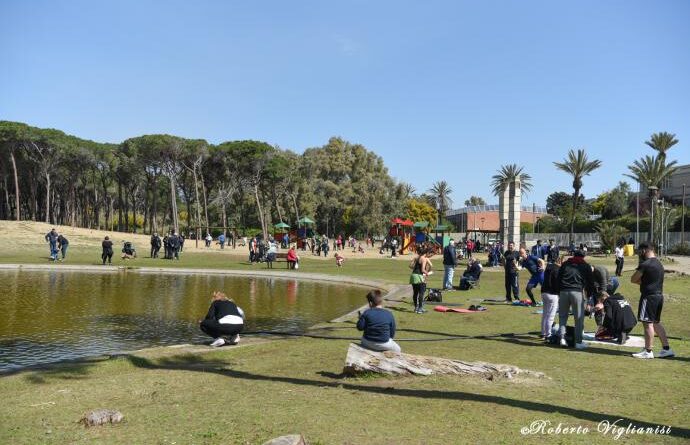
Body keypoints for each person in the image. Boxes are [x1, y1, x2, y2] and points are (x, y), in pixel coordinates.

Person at [631, 242, 674, 359]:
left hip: (648, 297)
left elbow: (633, 279)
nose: (640, 253)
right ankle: (667, 349)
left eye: (640, 251)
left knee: (647, 323)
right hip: (659, 296)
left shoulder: (645, 264)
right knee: (655, 322)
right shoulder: (659, 264)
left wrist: (642, 282)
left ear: (645, 250)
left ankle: (648, 351)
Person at [557, 250, 595, 349]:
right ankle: (578, 342)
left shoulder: (565, 264)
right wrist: (589, 296)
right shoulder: (585, 265)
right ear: (583, 257)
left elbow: (558, 278)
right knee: (578, 318)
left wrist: (559, 292)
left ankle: (562, 338)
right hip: (577, 292)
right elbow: (591, 283)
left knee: (562, 316)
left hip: (563, 291)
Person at [541, 256, 561, 340]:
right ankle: (548, 334)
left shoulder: (548, 268)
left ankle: (543, 332)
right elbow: (556, 283)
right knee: (551, 316)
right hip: (552, 294)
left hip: (544, 292)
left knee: (545, 314)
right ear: (559, 261)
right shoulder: (557, 269)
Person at [409, 246, 432, 314]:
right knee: (421, 293)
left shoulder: (417, 257)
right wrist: (427, 273)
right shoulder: (424, 259)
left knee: (415, 293)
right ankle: (420, 309)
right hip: (419, 276)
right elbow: (422, 270)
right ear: (426, 253)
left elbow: (410, 266)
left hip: (413, 276)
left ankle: (416, 308)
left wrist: (416, 269)